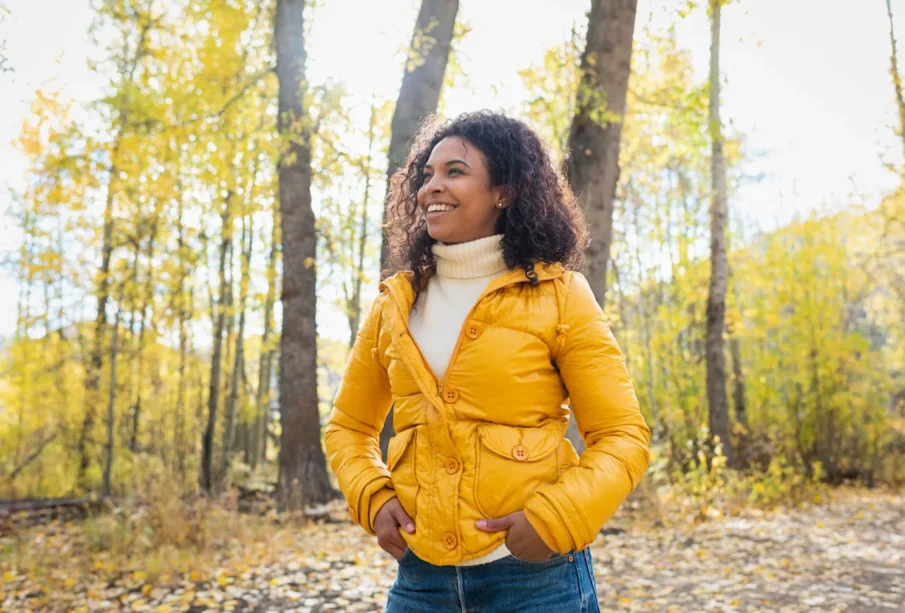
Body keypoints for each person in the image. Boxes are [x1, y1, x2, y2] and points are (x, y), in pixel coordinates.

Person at [324, 110, 651, 613]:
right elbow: (348, 426)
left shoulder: (560, 294)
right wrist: (371, 495)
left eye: (455, 172)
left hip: (537, 582)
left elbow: (623, 436)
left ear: (504, 191)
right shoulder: (394, 303)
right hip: (421, 580)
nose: (431, 187)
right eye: (426, 175)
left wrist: (557, 517)